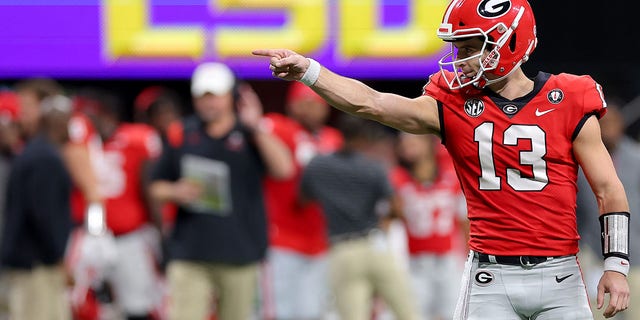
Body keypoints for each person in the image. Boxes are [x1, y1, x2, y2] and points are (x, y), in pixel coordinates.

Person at [252, 0, 631, 318]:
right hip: (489, 276)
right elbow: (373, 103)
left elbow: (607, 189)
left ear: (510, 41)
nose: (460, 59)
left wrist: (616, 264)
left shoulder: (570, 96)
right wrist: (311, 72)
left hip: (560, 273)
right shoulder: (450, 103)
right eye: (459, 47)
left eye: (470, 47)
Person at [149, 62, 293, 320]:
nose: (209, 103)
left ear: (232, 97)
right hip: (190, 252)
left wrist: (256, 126)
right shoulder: (182, 132)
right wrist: (175, 191)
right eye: (203, 97)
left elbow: (284, 169)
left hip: (240, 252)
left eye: (215, 96)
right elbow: (155, 186)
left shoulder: (249, 134)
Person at [299, 114, 420, 320]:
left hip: (342, 249)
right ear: (364, 139)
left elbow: (303, 199)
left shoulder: (318, 165)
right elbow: (397, 208)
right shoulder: (372, 167)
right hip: (375, 244)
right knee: (408, 313)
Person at [65, 87, 164, 320]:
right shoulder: (77, 147)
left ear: (106, 114)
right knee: (81, 304)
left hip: (129, 237)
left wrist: (160, 234)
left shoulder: (136, 139)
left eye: (88, 115)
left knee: (138, 304)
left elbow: (149, 189)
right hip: (87, 236)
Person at [260, 81, 343, 320]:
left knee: (313, 312)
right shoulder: (278, 127)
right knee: (280, 310)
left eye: (317, 104)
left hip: (320, 241)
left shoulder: (333, 138)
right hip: (281, 238)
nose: (311, 109)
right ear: (291, 104)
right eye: (305, 103)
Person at [0, 95, 74, 320]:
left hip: (28, 261)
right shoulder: (45, 158)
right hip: (36, 264)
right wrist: (59, 257)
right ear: (58, 123)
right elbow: (44, 215)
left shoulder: (32, 152)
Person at [391, 133, 468, 320]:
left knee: (455, 313)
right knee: (414, 314)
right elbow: (390, 221)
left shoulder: (451, 175)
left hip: (449, 258)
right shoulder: (397, 179)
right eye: (405, 143)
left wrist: (468, 257)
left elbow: (464, 221)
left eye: (414, 141)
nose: (408, 146)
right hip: (414, 261)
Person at [576, 103, 640, 320]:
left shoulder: (636, 157)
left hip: (636, 256)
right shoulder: (581, 161)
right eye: (604, 124)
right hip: (594, 254)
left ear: (621, 125)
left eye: (613, 123)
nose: (609, 129)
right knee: (599, 313)